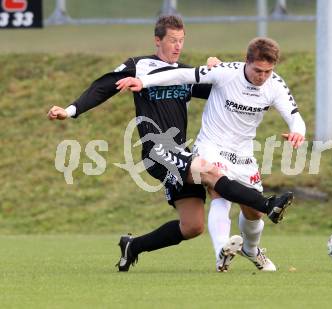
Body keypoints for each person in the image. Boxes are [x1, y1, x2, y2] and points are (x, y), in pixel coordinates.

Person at [47, 15, 294, 272]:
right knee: (211, 172)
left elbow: (226, 92)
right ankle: (266, 204)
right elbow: (103, 86)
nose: (178, 46)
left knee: (193, 226)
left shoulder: (183, 73)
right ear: (158, 40)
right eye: (173, 40)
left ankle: (133, 246)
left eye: (182, 41)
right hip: (157, 151)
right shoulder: (139, 66)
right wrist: (70, 110)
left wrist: (222, 71)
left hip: (179, 152)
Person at [116, 37, 306, 272]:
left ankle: (251, 249)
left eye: (268, 71)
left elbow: (294, 115)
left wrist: (298, 132)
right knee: (218, 189)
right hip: (212, 145)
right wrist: (143, 81)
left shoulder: (275, 85)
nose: (262, 76)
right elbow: (181, 76)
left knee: (253, 213)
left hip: (244, 153)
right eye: (258, 70)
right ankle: (221, 254)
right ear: (246, 61)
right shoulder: (225, 72)